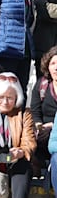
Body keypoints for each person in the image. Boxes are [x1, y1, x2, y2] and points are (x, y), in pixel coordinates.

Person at [29, 46, 57, 186]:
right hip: (43, 131)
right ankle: (37, 165)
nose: (56, 68)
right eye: (53, 63)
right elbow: (34, 112)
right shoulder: (42, 86)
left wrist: (53, 126)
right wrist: (39, 125)